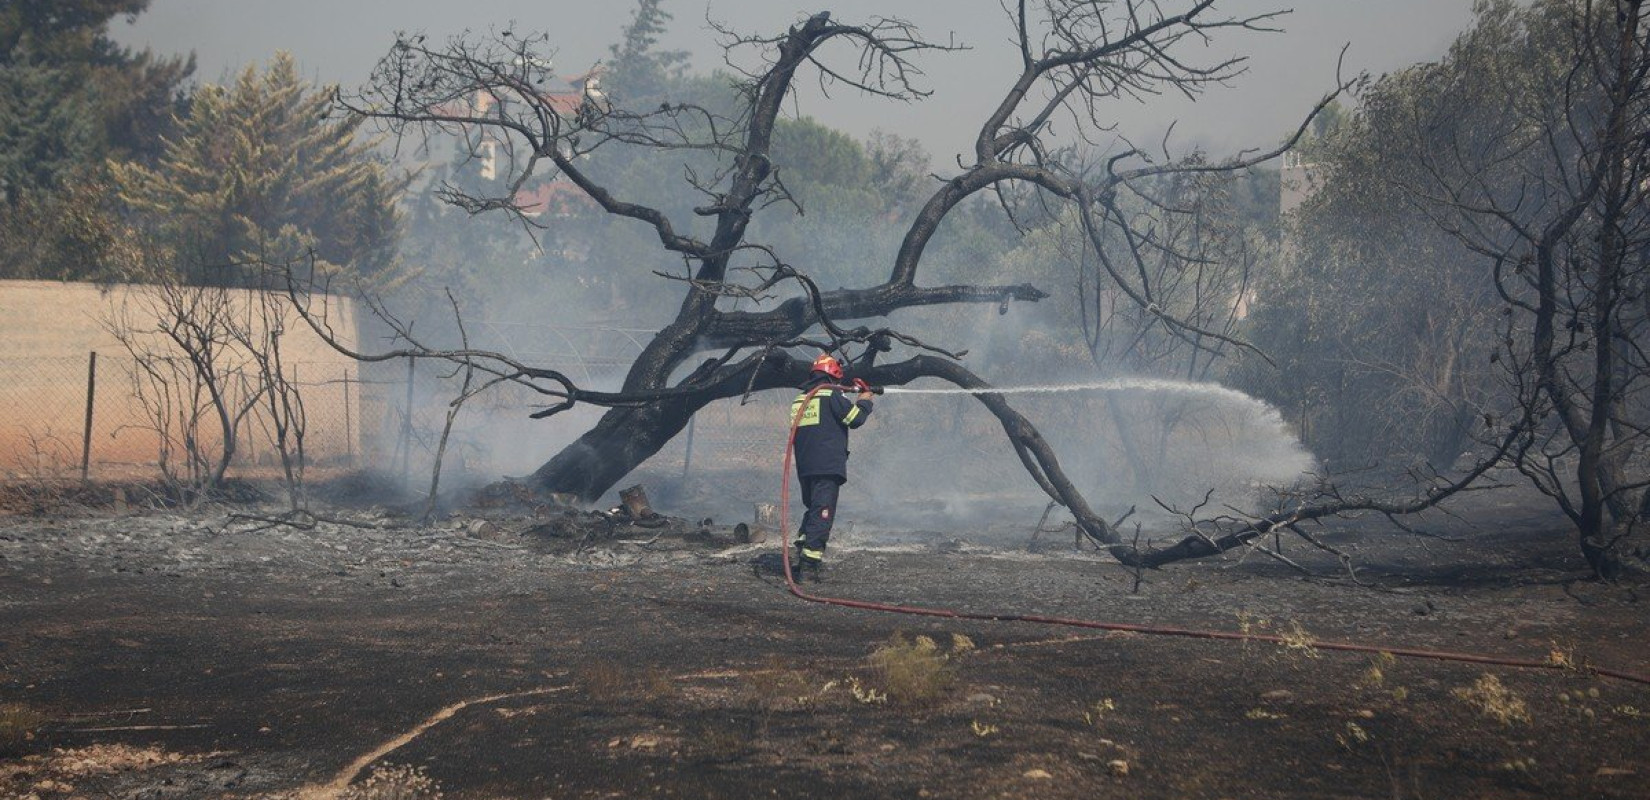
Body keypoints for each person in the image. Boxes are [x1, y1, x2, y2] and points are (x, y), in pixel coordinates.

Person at [788, 352, 874, 581]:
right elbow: (855, 419)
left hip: (805, 467)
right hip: (827, 466)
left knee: (814, 509)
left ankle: (802, 551)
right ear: (834, 375)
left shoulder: (800, 399)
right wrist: (865, 400)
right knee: (823, 513)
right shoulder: (830, 395)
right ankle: (809, 565)